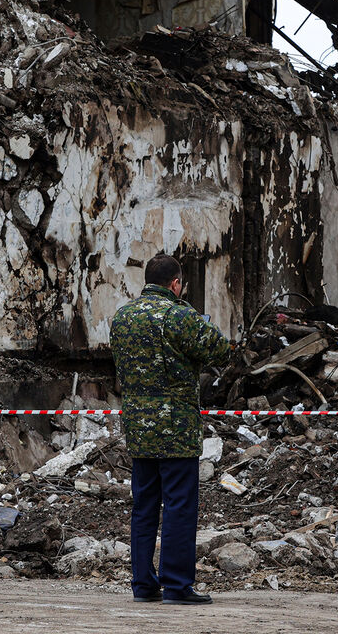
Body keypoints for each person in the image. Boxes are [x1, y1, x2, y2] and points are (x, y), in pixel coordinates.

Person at [110, 252, 231, 605]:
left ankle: (143, 584)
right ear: (175, 284)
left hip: (138, 428)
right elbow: (221, 352)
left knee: (144, 506)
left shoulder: (122, 317)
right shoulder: (180, 315)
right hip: (175, 429)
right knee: (179, 505)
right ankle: (177, 585)